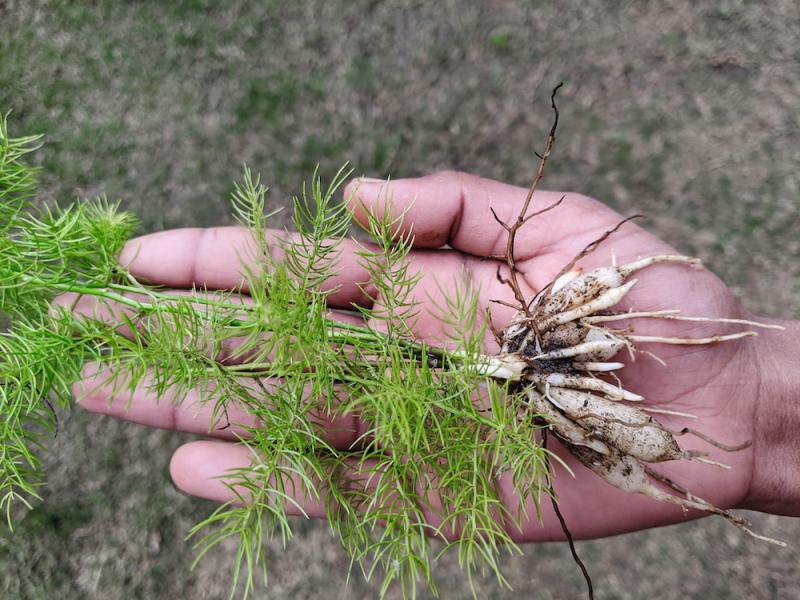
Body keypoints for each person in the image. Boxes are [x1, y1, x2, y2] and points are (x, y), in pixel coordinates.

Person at [72, 171, 799, 542]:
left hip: (538, 360)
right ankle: (717, 456)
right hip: (538, 369)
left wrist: (759, 393)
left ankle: (721, 436)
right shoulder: (538, 362)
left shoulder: (548, 337)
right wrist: (761, 406)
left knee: (653, 414)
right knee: (651, 452)